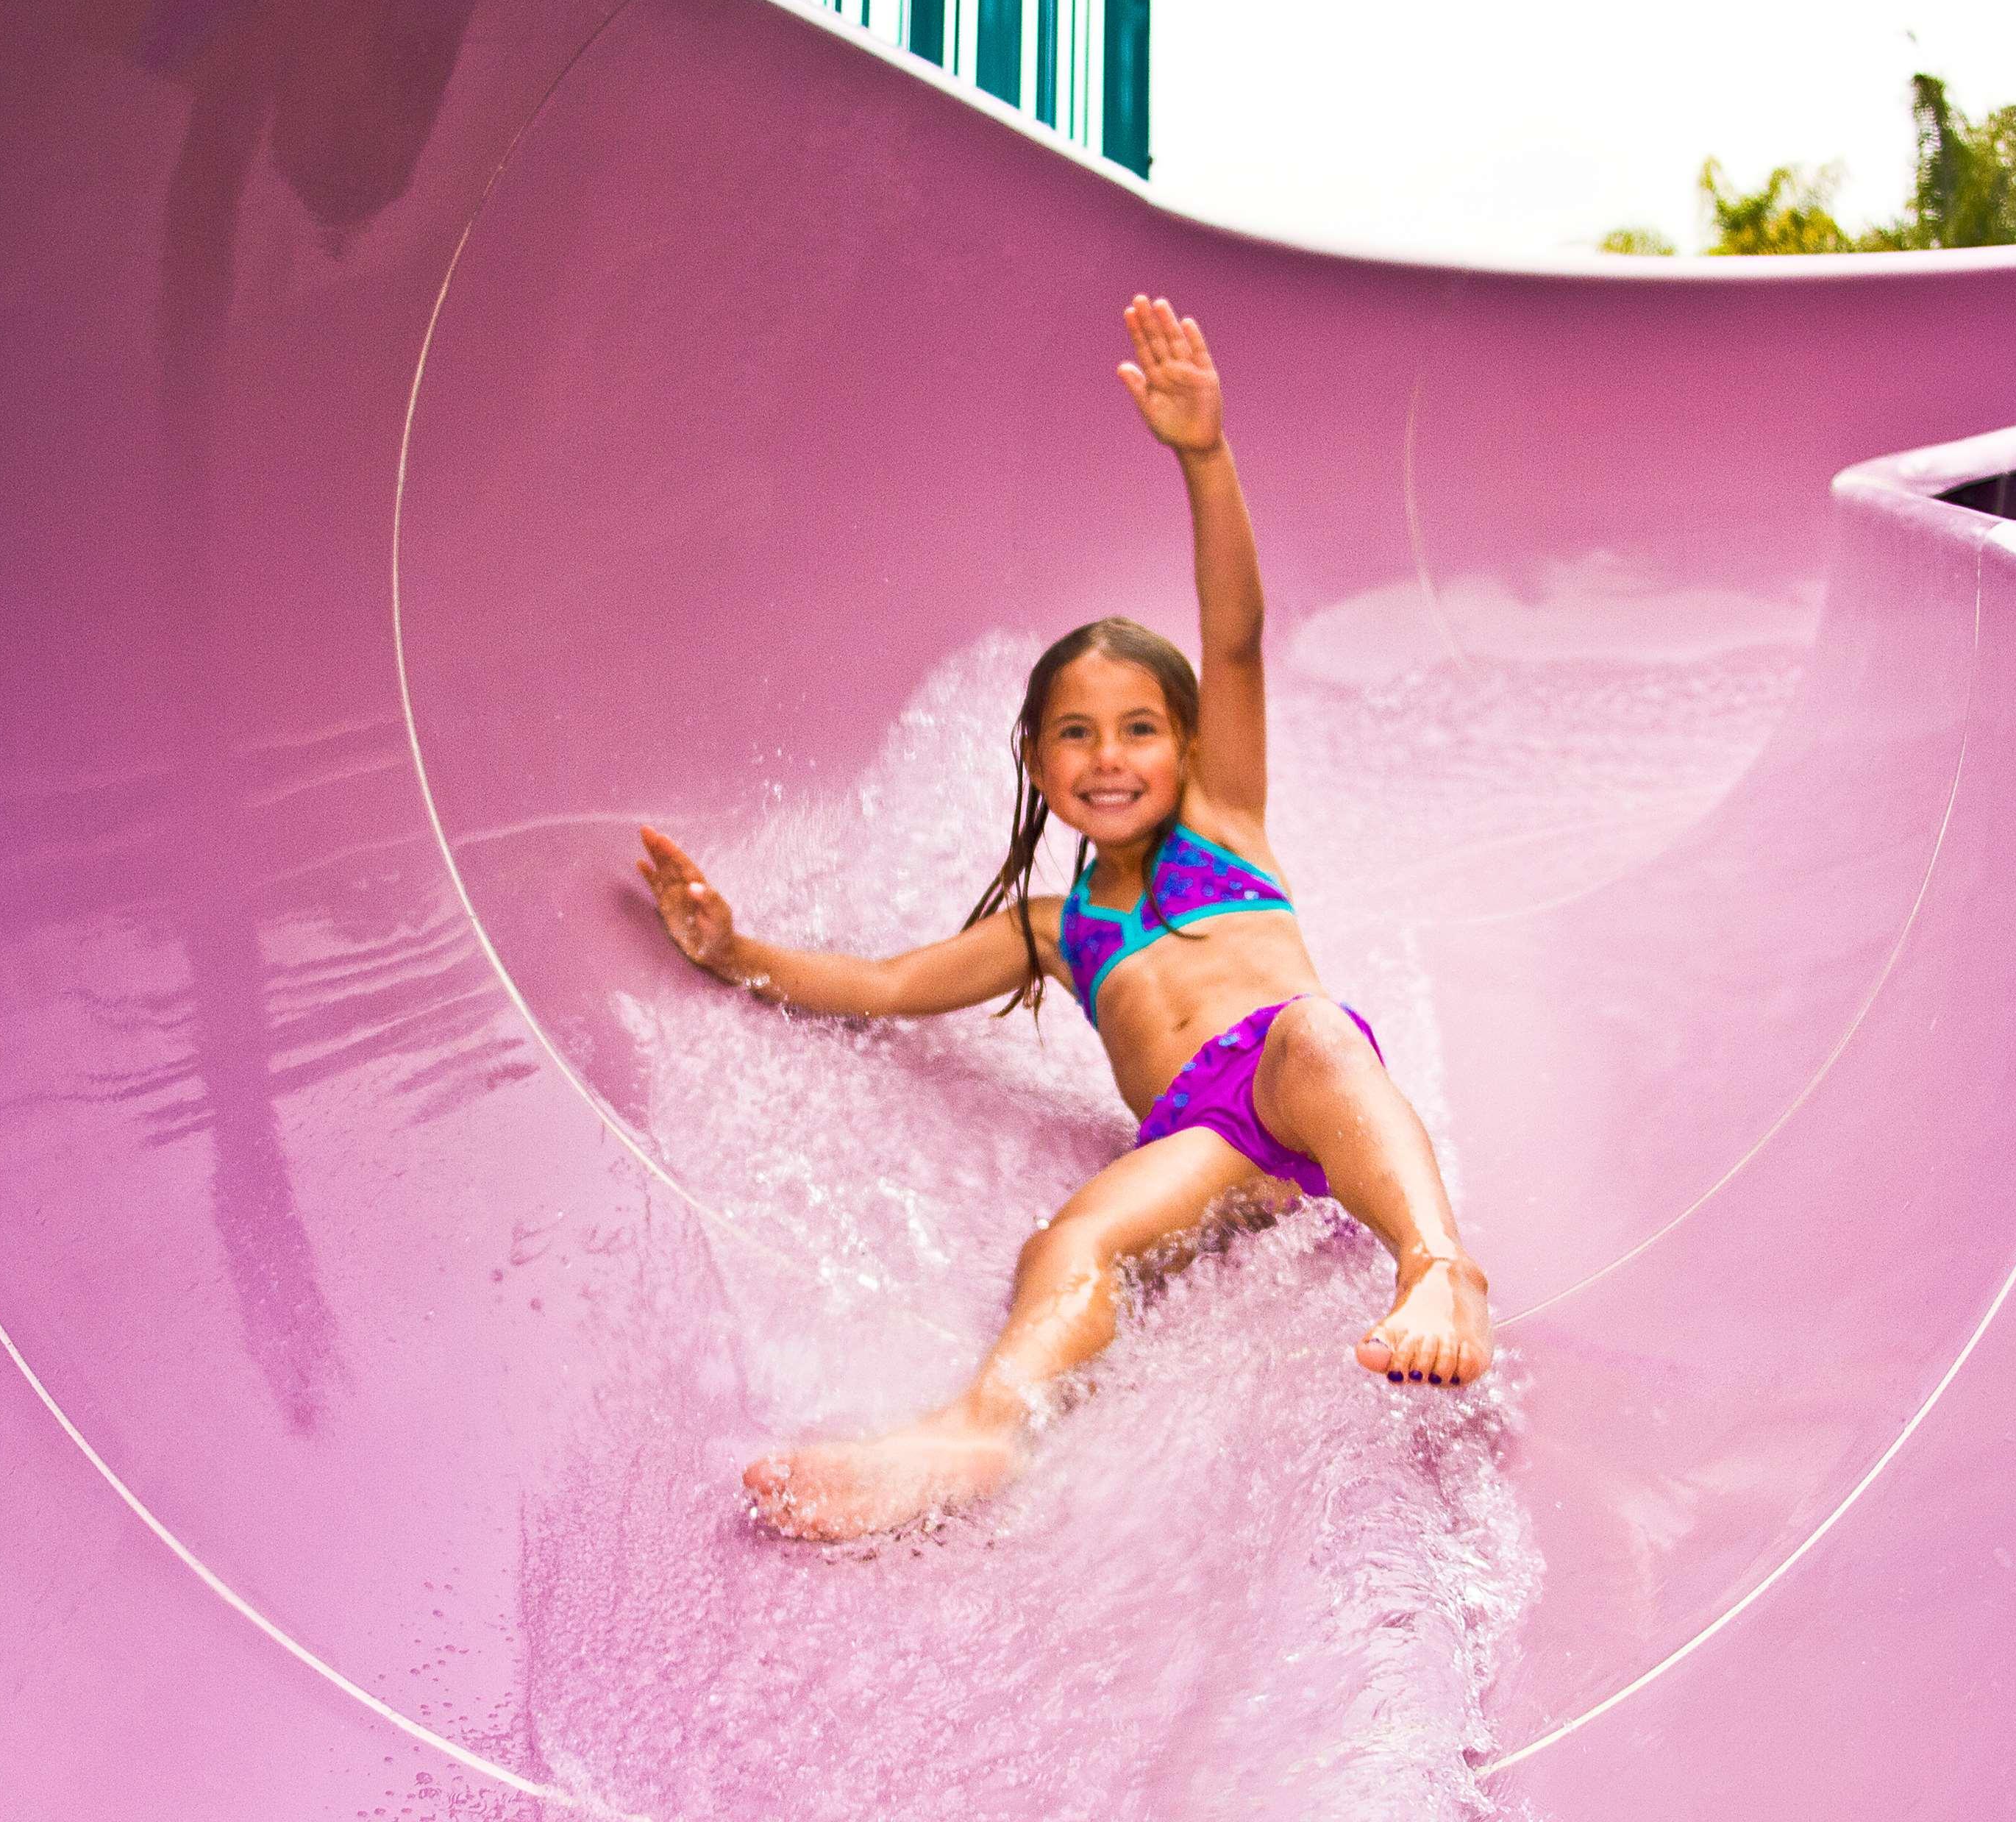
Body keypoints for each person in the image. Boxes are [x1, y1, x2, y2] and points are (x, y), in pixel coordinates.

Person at [637, 296, 1495, 1543]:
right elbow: (884, 987)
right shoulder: (1056, 929)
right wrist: (737, 952)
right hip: (1208, 1144)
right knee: (1073, 1233)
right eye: (1075, 735)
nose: (1110, 757)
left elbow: (1238, 637)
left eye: (1140, 729)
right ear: (1036, 763)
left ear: (1188, 744)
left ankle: (1438, 1270)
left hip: (1296, 1080)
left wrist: (1205, 456)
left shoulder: (1226, 821)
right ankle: (983, 1427)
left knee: (1313, 1028)